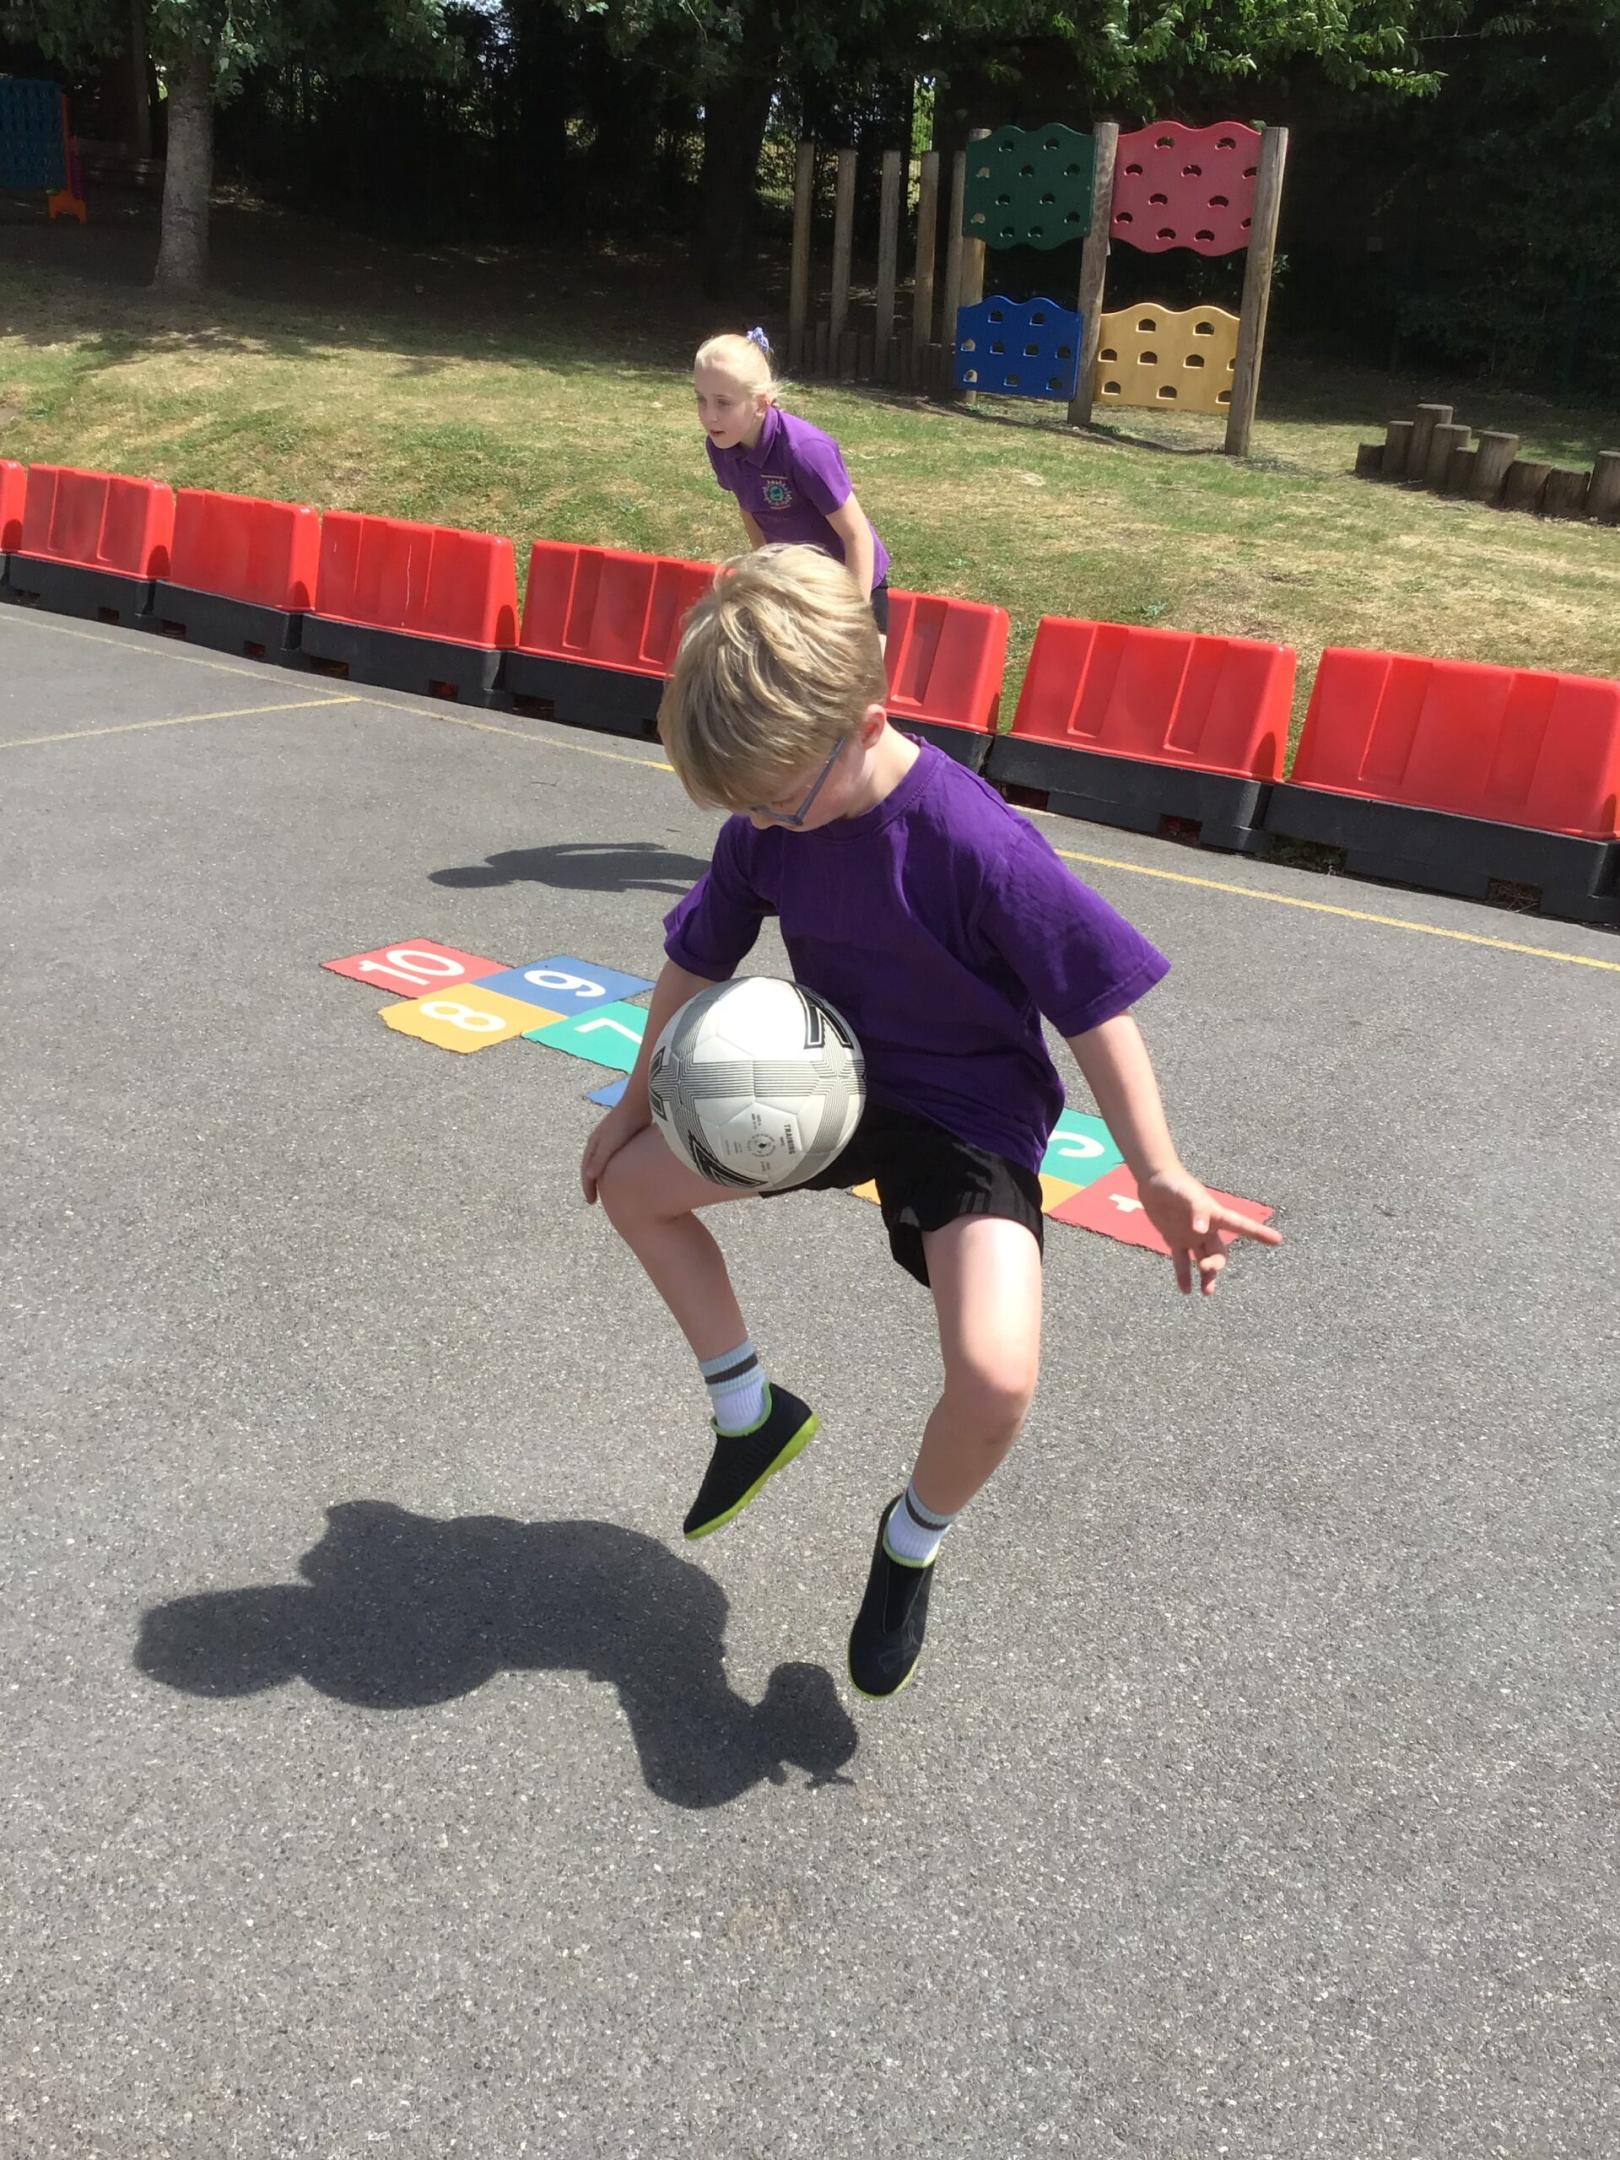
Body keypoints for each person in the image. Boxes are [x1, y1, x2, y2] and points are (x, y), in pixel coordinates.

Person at [580, 546, 1281, 1702]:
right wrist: (630, 1102)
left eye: (777, 799)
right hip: (826, 1085)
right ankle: (750, 1411)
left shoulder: (975, 843)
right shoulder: (771, 822)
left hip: (966, 1118)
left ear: (866, 724)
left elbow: (1094, 1006)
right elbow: (696, 954)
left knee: (995, 1380)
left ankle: (910, 1539)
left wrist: (1158, 1171)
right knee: (633, 1188)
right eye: (745, 805)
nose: (762, 822)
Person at [693, 327, 891, 636]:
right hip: (794, 583)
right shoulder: (721, 446)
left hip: (851, 582)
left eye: (723, 402)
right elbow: (749, 508)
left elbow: (857, 536)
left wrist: (852, 617)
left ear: (761, 404)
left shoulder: (805, 451)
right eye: (701, 400)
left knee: (856, 668)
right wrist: (764, 572)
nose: (709, 416)